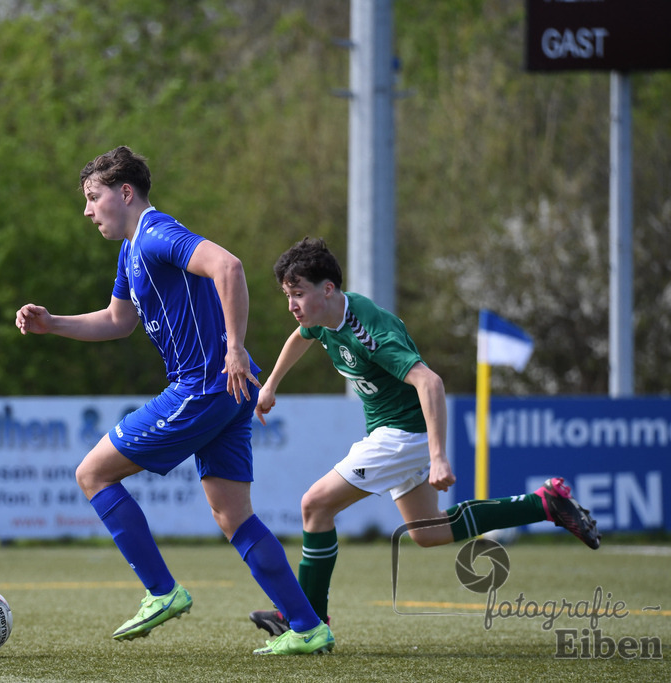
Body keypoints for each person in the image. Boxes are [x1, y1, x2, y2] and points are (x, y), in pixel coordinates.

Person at [15, 147, 334, 655]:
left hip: (205, 385)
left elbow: (228, 267)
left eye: (93, 197)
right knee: (233, 516)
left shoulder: (158, 233)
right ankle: (307, 625)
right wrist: (53, 324)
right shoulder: (130, 252)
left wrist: (232, 348)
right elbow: (118, 321)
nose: (87, 210)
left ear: (125, 193)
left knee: (92, 474)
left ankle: (162, 591)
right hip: (230, 388)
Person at [248, 236, 600, 637]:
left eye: (298, 294)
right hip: (394, 433)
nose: (291, 305)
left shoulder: (366, 329)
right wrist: (271, 384)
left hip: (403, 435)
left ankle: (308, 621)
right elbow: (301, 339)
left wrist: (438, 456)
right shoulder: (321, 319)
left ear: (327, 289)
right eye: (287, 295)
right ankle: (543, 504)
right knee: (428, 532)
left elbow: (429, 382)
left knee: (315, 506)